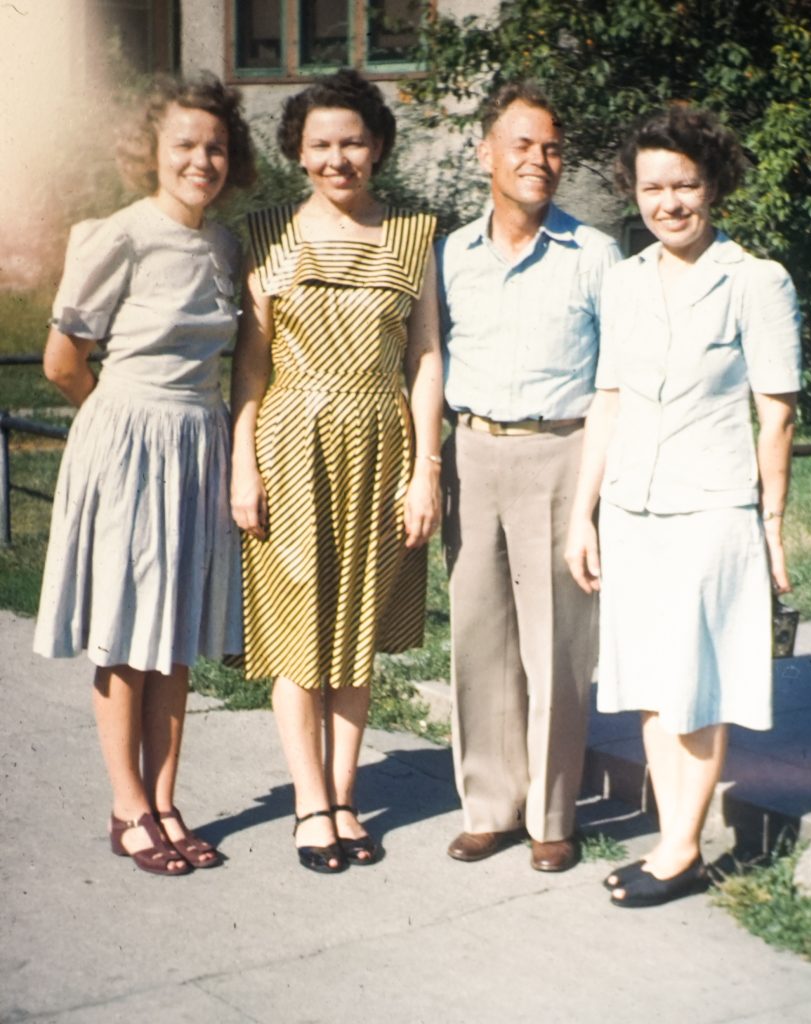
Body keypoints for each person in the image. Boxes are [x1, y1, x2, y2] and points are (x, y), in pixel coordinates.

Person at [565, 105, 801, 907]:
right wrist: (582, 516)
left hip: (711, 513)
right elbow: (607, 400)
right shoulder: (623, 281)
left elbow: (778, 413)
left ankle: (679, 850)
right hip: (633, 510)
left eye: (685, 185)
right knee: (651, 685)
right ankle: (676, 841)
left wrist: (770, 527)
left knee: (695, 684)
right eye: (652, 187)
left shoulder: (757, 280)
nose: (668, 203)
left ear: (713, 186)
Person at [33, 73, 256, 875]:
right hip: (129, 441)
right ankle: (127, 806)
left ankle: (166, 801)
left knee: (177, 633)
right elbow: (64, 363)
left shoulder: (225, 244)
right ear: (152, 152)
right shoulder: (117, 235)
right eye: (186, 146)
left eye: (216, 147)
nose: (203, 161)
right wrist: (121, 423)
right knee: (127, 633)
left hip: (197, 444)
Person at [230, 69, 442, 874]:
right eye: (320, 144)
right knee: (296, 632)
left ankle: (347, 797)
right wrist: (242, 466)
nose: (337, 158)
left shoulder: (416, 236)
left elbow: (425, 359)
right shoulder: (268, 235)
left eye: (352, 141)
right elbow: (249, 369)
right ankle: (309, 804)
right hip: (289, 445)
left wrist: (425, 471)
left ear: (378, 145)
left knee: (354, 630)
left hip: (380, 444)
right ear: (298, 152)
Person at [438, 82, 621, 873]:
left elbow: (617, 378)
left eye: (551, 148)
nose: (539, 160)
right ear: (486, 154)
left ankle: (552, 816)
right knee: (480, 639)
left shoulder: (595, 252)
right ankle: (490, 807)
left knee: (556, 645)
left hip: (560, 452)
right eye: (522, 144)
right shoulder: (452, 253)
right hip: (473, 452)